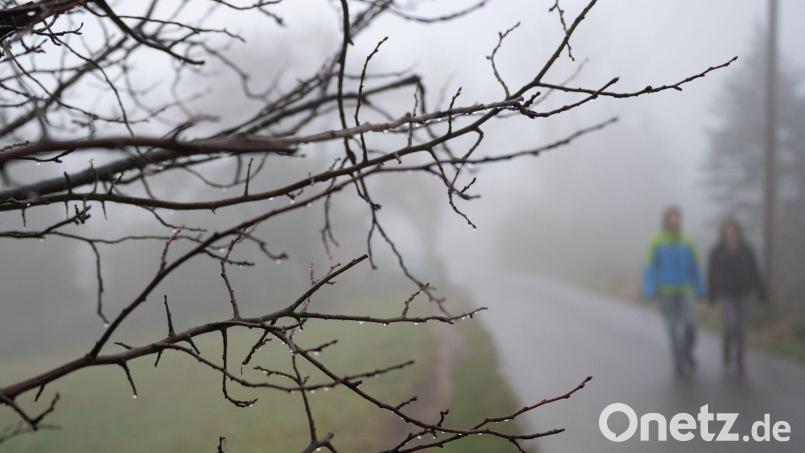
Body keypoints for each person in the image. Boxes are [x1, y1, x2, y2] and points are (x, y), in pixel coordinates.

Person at [644, 206, 705, 375]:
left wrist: (700, 287)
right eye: (672, 217)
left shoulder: (687, 241)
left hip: (686, 291)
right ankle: (678, 361)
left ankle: (687, 352)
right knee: (672, 329)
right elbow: (650, 267)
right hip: (666, 292)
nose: (675, 220)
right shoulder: (657, 242)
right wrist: (649, 288)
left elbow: (695, 266)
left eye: (677, 217)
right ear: (666, 220)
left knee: (690, 324)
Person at [707, 217, 765, 375]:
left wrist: (761, 290)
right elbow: (712, 273)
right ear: (723, 231)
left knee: (741, 327)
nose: (730, 231)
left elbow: (755, 270)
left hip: (743, 293)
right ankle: (726, 352)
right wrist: (711, 293)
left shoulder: (747, 249)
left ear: (737, 230)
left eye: (733, 228)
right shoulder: (717, 250)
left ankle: (740, 358)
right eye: (727, 228)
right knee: (730, 325)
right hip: (726, 294)